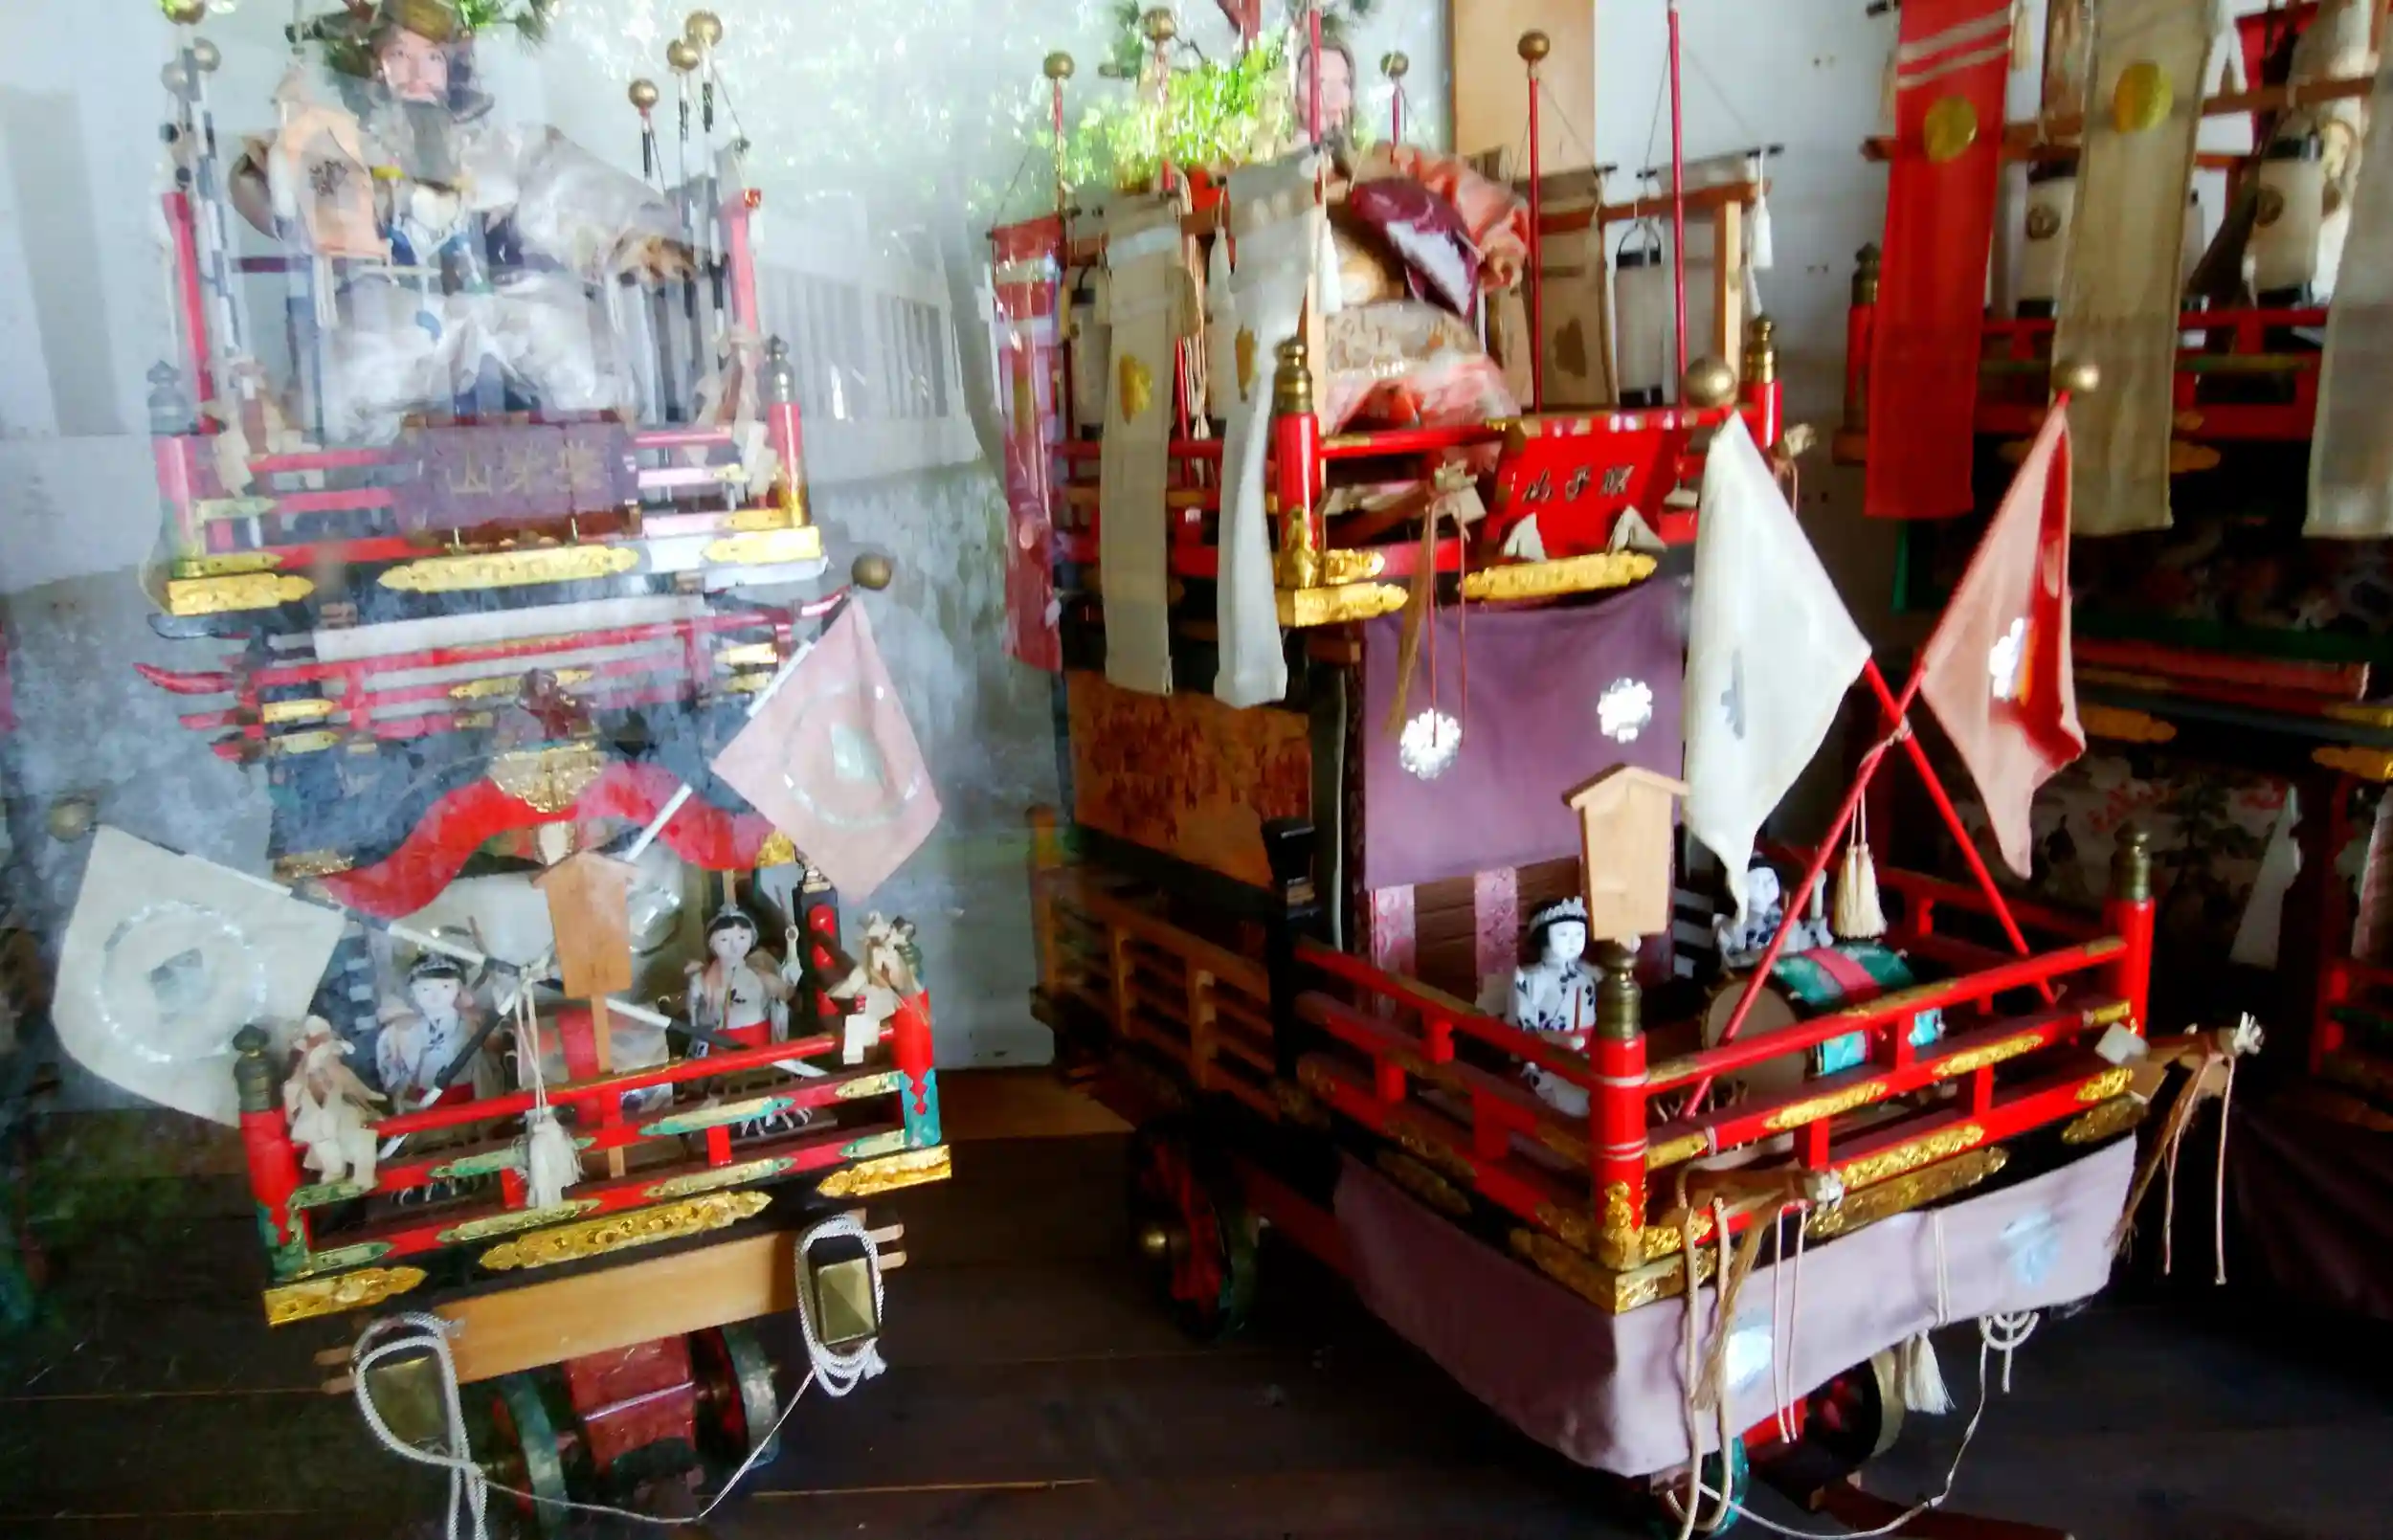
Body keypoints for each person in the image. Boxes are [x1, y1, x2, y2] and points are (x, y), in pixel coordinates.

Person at [234, 0, 690, 443]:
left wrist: (636, 237)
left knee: (582, 360)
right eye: (400, 55)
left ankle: (591, 466)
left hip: (505, 301)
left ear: (453, 68)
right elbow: (293, 200)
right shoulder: (349, 147)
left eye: (433, 58)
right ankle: (369, 476)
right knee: (349, 379)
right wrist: (284, 163)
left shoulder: (500, 148)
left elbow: (563, 185)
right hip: (397, 307)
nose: (418, 73)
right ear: (374, 66)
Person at [375, 952, 485, 1109]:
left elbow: (484, 1069)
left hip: (464, 1103)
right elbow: (389, 1072)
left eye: (446, 987)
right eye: (425, 989)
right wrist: (401, 1087)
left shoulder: (471, 1025)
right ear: (412, 993)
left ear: (459, 989)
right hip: (418, 1105)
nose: (435, 996)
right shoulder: (399, 1030)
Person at [685, 905, 794, 1050]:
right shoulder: (700, 979)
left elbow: (787, 992)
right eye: (724, 939)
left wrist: (792, 948)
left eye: (742, 937)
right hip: (716, 1046)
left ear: (752, 939)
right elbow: (693, 1017)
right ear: (711, 943)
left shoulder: (759, 975)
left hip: (756, 1043)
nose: (734, 946)